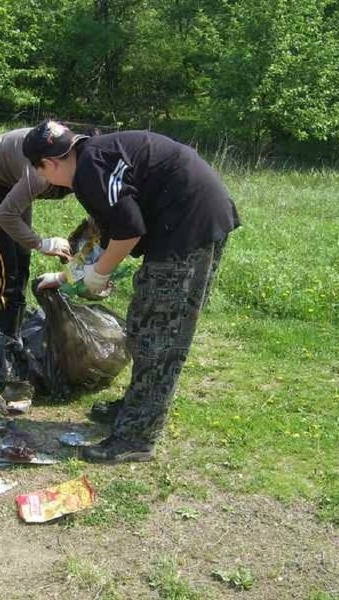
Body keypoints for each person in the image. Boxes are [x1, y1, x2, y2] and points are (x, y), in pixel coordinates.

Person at [24, 120, 241, 463]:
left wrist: (99, 275)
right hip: (182, 221)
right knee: (142, 324)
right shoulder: (92, 158)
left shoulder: (89, 172)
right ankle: (137, 407)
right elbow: (102, 234)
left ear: (47, 165)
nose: (49, 182)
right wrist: (67, 277)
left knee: (161, 334)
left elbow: (128, 233)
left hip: (190, 227)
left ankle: (137, 437)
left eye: (43, 174)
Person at [0, 127, 87, 338]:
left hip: (19, 178)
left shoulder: (87, 168)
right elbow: (5, 216)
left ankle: (16, 330)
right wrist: (44, 244)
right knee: (4, 264)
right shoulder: (39, 175)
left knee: (22, 257)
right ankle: (5, 341)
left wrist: (91, 264)